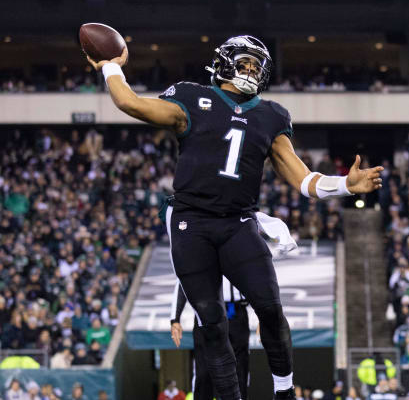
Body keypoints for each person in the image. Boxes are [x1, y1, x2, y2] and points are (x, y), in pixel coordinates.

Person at [87, 35, 383, 400]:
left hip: (237, 222)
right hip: (190, 221)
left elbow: (304, 180)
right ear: (224, 62)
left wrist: (345, 186)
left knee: (271, 308)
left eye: (256, 67)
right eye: (243, 63)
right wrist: (111, 66)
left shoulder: (271, 115)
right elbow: (130, 104)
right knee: (211, 322)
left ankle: (284, 391)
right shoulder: (192, 97)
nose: (249, 72)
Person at [171, 277, 250, 400]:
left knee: (238, 369)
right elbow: (183, 279)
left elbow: (257, 277)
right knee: (204, 371)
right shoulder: (195, 257)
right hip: (206, 312)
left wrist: (263, 314)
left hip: (236, 313)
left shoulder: (242, 257)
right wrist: (175, 318)